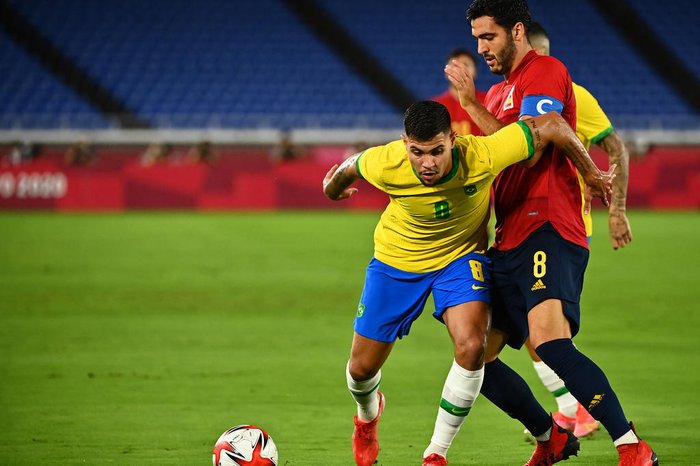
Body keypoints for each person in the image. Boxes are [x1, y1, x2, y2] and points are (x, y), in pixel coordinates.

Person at [322, 100, 613, 466]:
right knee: (361, 370)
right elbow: (349, 168)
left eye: (437, 151)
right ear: (404, 144)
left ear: (453, 140)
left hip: (460, 259)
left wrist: (590, 172)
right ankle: (367, 418)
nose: (427, 163)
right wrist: (332, 190)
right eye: (417, 152)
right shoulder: (386, 162)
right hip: (397, 261)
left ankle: (435, 454)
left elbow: (551, 125)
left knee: (473, 346)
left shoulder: (483, 154)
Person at [444, 0, 658, 464]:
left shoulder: (543, 72)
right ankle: (551, 437)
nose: (481, 48)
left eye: (489, 37)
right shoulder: (499, 93)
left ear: (517, 31)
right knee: (476, 355)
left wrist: (467, 105)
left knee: (550, 343)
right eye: (477, 38)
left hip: (548, 225)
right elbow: (496, 159)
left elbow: (533, 148)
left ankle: (630, 445)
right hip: (510, 235)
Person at [520, 20, 634, 440]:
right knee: (534, 333)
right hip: (520, 228)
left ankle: (589, 413)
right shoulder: (510, 95)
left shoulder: (572, 96)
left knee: (549, 334)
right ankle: (570, 407)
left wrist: (617, 209)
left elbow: (615, 146)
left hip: (560, 229)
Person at [432, 48, 488, 136]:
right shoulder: (434, 106)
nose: (460, 70)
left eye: (466, 65)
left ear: (475, 71)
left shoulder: (489, 100)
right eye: (454, 66)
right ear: (446, 72)